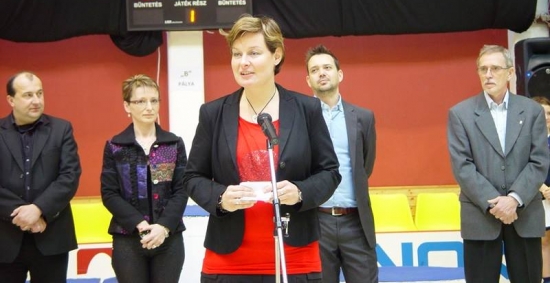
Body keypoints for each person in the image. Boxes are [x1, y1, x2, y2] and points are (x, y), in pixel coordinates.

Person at [183, 15, 341, 283]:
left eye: (254, 53)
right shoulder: (213, 113)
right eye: (237, 54)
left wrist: (300, 192)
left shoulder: (307, 109)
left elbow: (330, 172)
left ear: (276, 55)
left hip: (295, 259)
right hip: (228, 262)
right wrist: (221, 197)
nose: (243, 62)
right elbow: (192, 177)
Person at [447, 45, 550, 283]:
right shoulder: (460, 114)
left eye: (495, 68)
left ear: (510, 72)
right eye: (483, 69)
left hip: (524, 214)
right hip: (480, 216)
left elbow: (539, 161)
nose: (488, 75)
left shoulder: (533, 111)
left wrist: (513, 199)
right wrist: (497, 204)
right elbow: (462, 166)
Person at [100, 74, 188, 283]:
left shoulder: (173, 143)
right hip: (128, 239)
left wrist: (163, 227)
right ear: (127, 106)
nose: (149, 107)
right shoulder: (115, 146)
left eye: (154, 100)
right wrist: (139, 224)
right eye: (140, 101)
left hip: (169, 238)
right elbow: (109, 194)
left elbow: (182, 189)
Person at [305, 45, 378, 283]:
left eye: (327, 67)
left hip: (356, 222)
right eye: (315, 70)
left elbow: (365, 166)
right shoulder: (299, 118)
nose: (322, 73)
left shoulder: (364, 117)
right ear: (308, 80)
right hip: (316, 222)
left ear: (340, 74)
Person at [0, 71, 82, 282]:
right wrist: (23, 215)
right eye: (28, 95)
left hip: (51, 236)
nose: (36, 100)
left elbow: (70, 176)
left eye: (39, 93)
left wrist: (39, 210)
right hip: (5, 239)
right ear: (11, 100)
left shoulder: (61, 129)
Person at [532, 96, 550, 283]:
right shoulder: (526, 141)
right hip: (537, 198)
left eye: (549, 113)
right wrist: (544, 189)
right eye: (541, 113)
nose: (546, 117)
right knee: (543, 241)